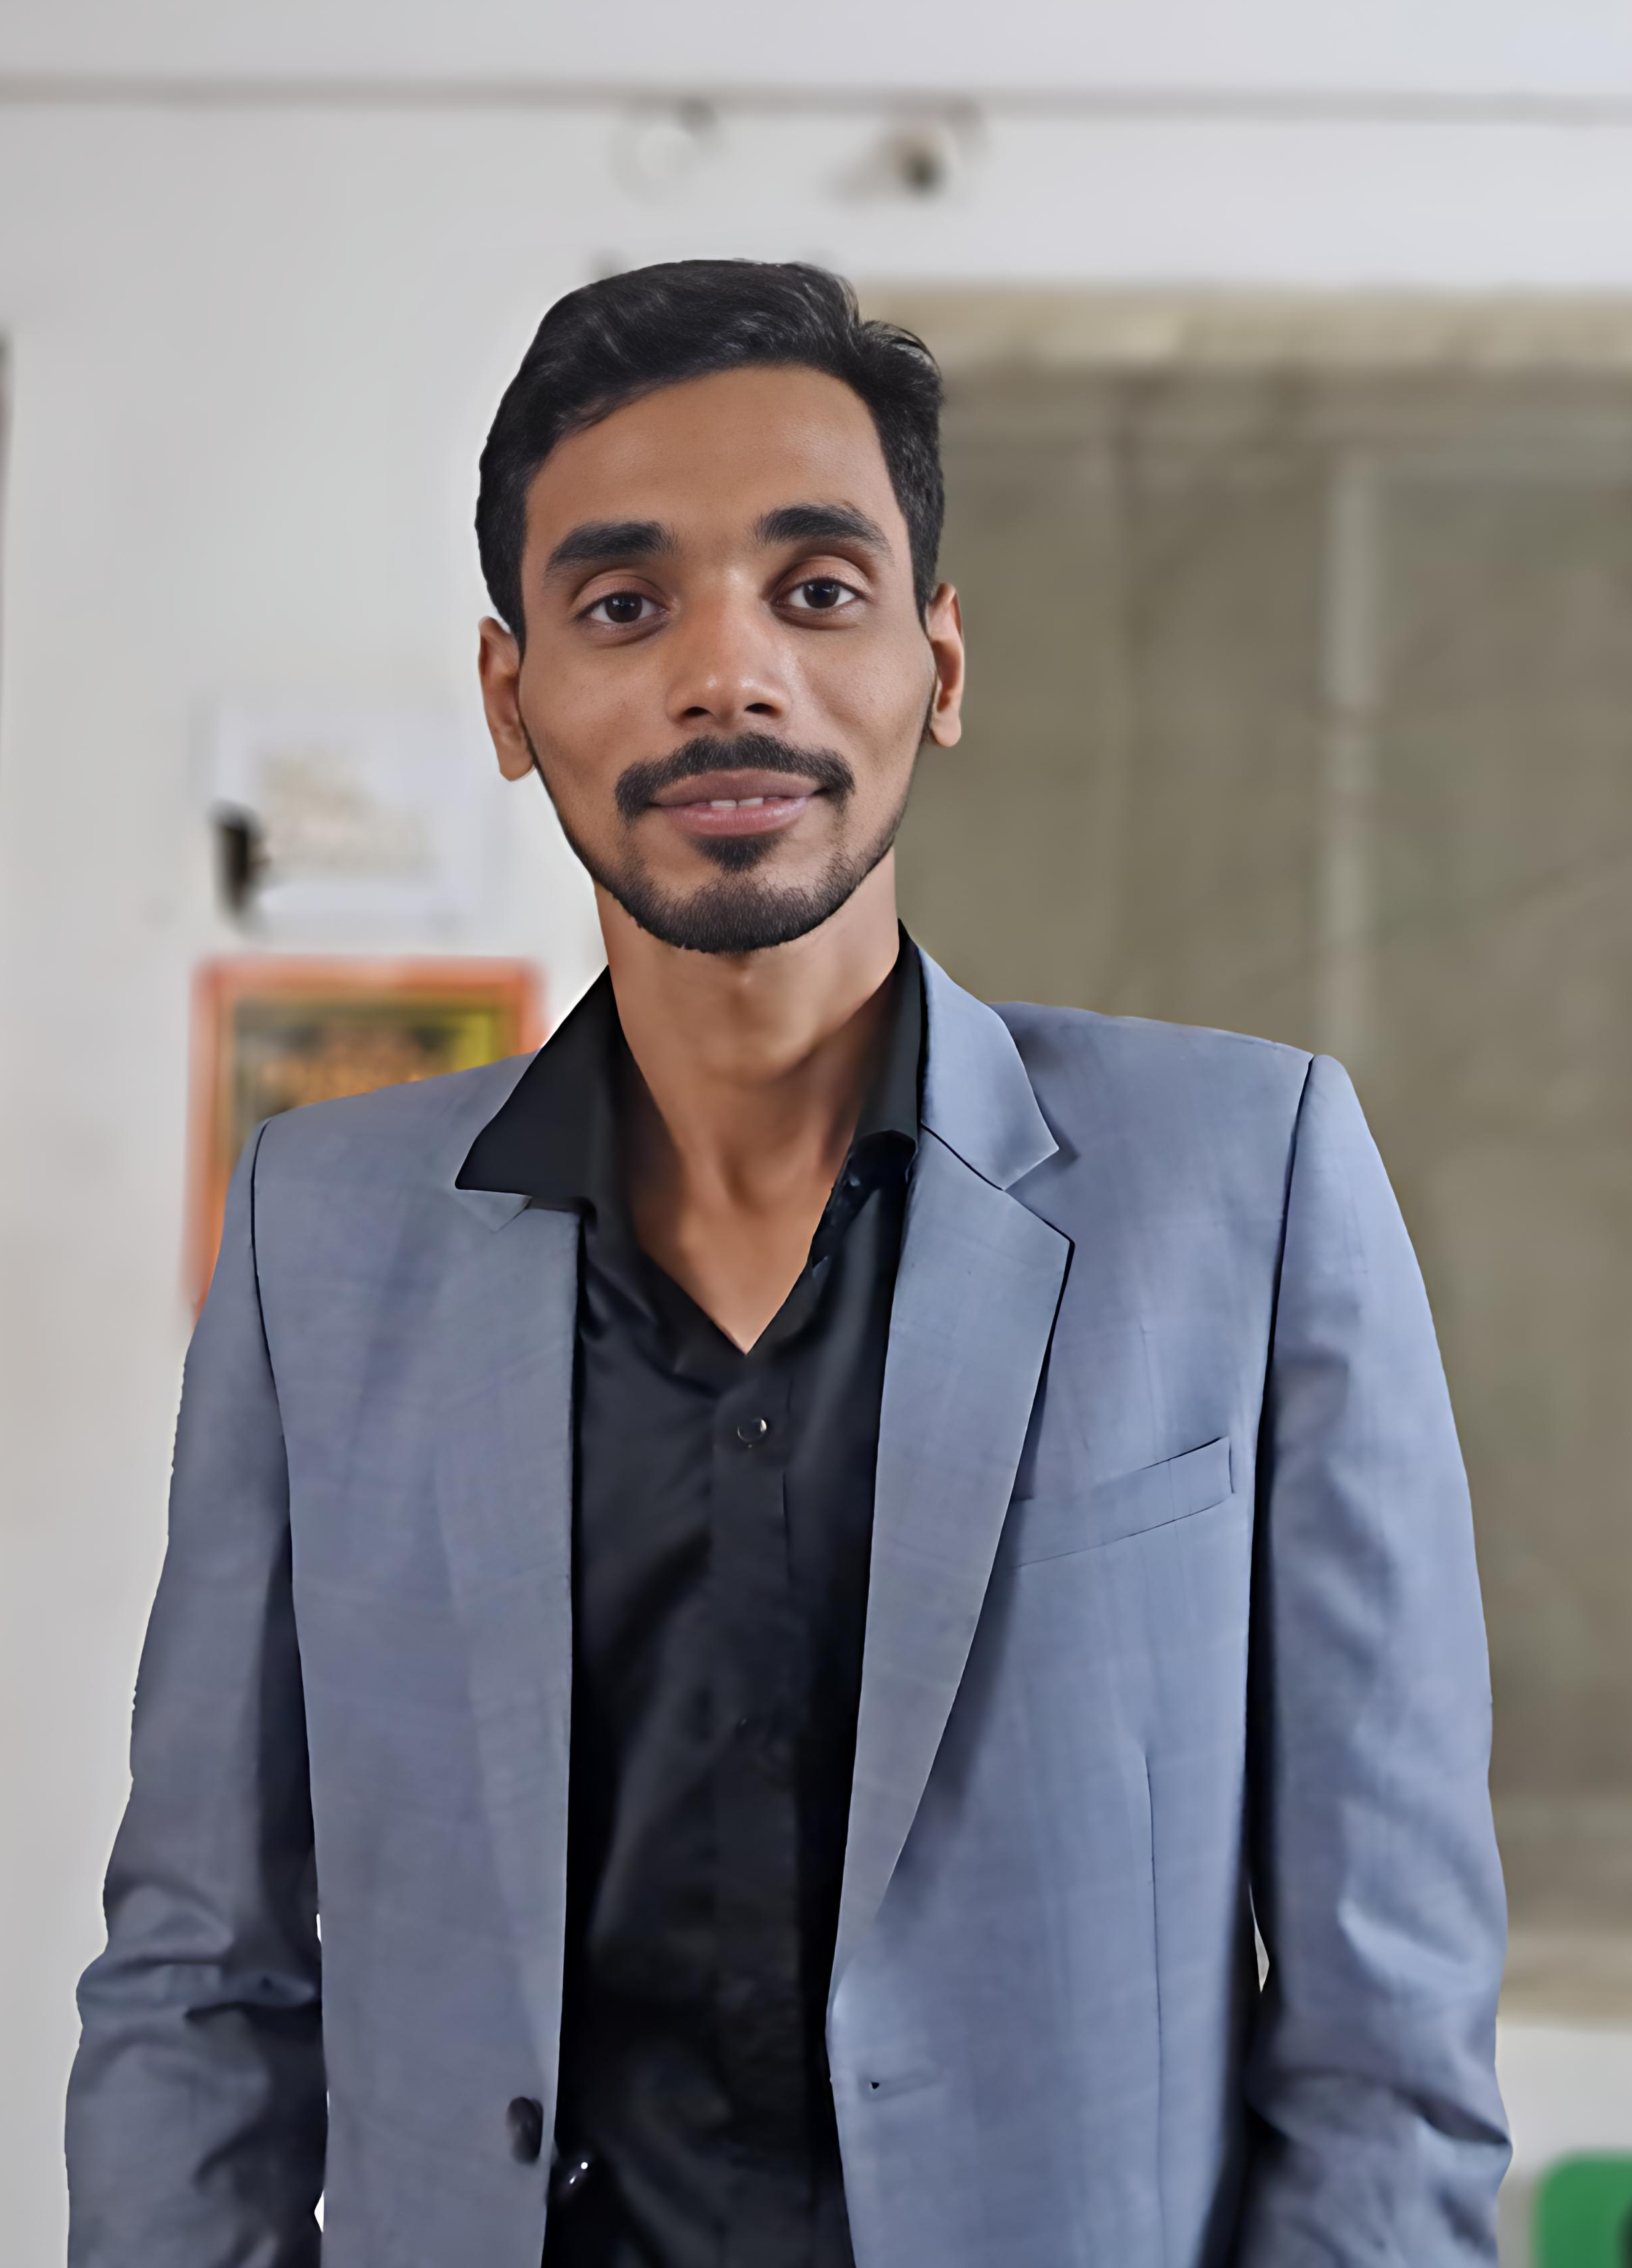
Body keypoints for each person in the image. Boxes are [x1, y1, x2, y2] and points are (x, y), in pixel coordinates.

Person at [65, 259, 1509, 2268]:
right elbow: (201, 1976)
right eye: (624, 604)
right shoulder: (323, 1233)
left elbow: (1388, 2027)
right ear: (510, 696)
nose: (728, 674)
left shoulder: (1244, 1183)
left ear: (940, 659)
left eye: (817, 589)